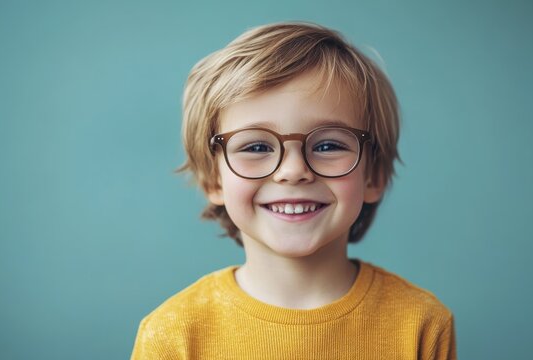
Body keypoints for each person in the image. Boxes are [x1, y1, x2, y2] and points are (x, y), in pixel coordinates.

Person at [131, 21, 456, 360]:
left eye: (328, 145)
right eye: (256, 147)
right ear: (215, 180)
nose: (293, 171)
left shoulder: (422, 323)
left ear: (373, 175)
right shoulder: (172, 335)